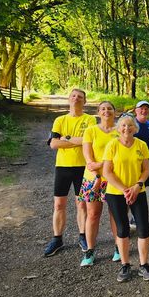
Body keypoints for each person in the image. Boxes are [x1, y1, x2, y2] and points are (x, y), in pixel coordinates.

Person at [102, 114, 149, 282]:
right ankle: (125, 265)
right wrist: (125, 189)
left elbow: (146, 170)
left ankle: (144, 264)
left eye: (130, 125)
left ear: (135, 128)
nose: (127, 128)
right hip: (116, 192)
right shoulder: (112, 145)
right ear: (118, 128)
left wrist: (137, 186)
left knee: (143, 228)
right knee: (122, 229)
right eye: (123, 126)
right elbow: (107, 172)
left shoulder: (141, 145)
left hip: (138, 191)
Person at [44, 88, 96, 257]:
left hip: (83, 168)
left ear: (84, 102)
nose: (76, 99)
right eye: (73, 96)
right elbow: (53, 144)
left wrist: (65, 138)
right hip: (63, 167)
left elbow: (91, 141)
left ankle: (83, 236)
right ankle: (57, 238)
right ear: (69, 99)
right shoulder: (60, 120)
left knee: (81, 204)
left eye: (80, 97)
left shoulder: (90, 120)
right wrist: (78, 142)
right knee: (59, 204)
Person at [78, 100, 119, 266]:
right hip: (92, 179)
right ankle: (89, 251)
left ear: (114, 112)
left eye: (109, 108)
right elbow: (89, 160)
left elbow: (122, 157)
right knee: (93, 215)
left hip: (114, 179)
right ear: (98, 112)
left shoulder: (120, 130)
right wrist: (97, 176)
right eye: (103, 109)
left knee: (115, 214)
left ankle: (118, 247)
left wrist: (103, 165)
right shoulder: (91, 131)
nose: (106, 111)